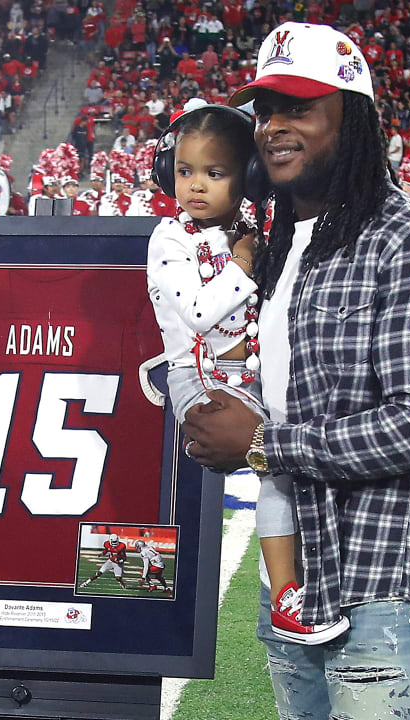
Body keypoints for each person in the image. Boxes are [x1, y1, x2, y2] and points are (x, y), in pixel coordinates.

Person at [183, 24, 410, 720]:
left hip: (381, 575)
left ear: (354, 117)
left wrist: (259, 443)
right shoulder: (280, 244)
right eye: (266, 109)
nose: (275, 126)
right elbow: (284, 387)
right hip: (293, 571)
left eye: (301, 106)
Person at [147, 98, 348, 644]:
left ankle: (292, 587)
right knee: (273, 454)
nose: (196, 185)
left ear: (249, 177)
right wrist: (242, 264)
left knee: (284, 460)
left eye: (215, 173)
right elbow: (194, 311)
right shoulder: (170, 238)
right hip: (200, 378)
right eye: (185, 170)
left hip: (248, 374)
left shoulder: (245, 225)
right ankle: (289, 596)